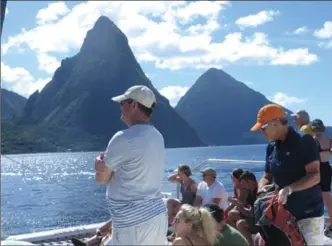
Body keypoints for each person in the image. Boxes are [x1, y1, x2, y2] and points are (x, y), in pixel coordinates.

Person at [94, 85, 168, 245]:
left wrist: (98, 165)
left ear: (134, 105)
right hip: (157, 218)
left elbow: (101, 178)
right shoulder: (157, 137)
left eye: (123, 103)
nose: (120, 107)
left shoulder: (123, 138)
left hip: (132, 225)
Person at [252, 104, 324, 245]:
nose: (262, 132)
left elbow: (315, 175)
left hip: (308, 214)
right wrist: (262, 187)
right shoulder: (272, 147)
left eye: (263, 128)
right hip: (282, 215)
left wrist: (289, 188)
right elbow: (266, 176)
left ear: (275, 123)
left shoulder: (304, 141)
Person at [312, 119, 332, 237]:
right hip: (327, 168)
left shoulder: (314, 141)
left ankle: (318, 222)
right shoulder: (329, 140)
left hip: (318, 169)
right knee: (327, 196)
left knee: (317, 196)